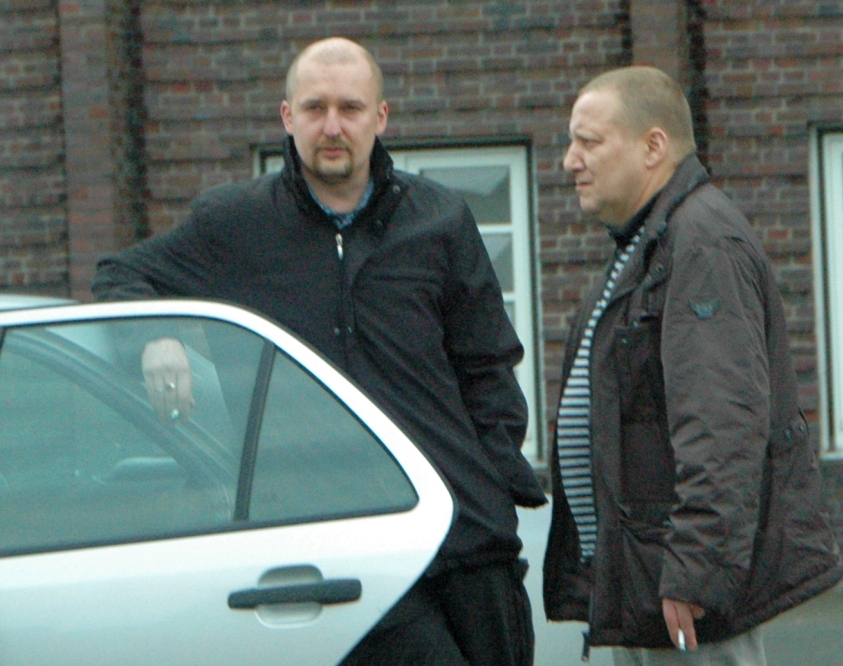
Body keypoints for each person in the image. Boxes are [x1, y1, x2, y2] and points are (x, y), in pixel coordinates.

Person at [93, 37, 545, 666]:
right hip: (341, 542)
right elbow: (121, 274)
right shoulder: (236, 223)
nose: (332, 126)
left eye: (350, 108)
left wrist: (493, 486)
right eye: (315, 108)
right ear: (287, 117)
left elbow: (488, 365)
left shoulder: (440, 220)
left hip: (466, 536)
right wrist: (156, 337)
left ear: (380, 117)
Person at [542, 66, 843, 665]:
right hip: (652, 585)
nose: (570, 160)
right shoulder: (650, 244)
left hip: (683, 598)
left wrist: (696, 571)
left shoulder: (701, 244)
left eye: (589, 142)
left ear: (653, 146)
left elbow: (723, 422)